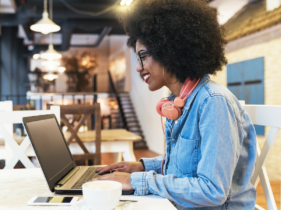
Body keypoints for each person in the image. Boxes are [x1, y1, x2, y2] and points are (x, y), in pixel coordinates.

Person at [91, 0, 257, 209]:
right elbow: (186, 164)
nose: (138, 68)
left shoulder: (214, 102)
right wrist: (140, 166)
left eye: (143, 57)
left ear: (170, 50)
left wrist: (135, 181)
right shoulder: (178, 102)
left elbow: (212, 191)